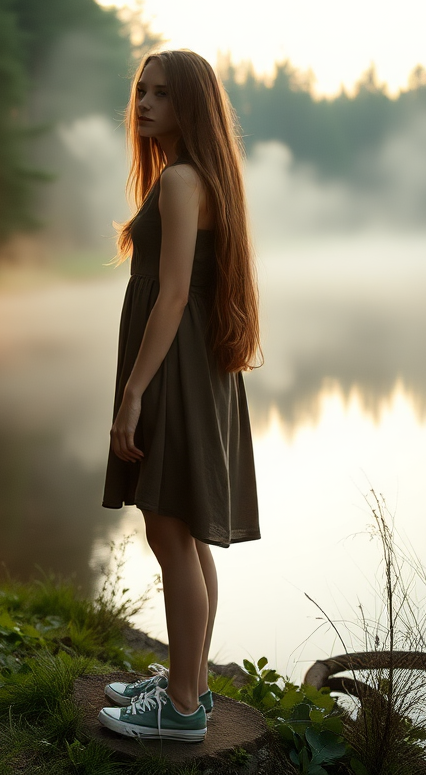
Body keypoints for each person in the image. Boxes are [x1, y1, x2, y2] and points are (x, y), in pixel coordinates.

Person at [97, 49, 261, 742]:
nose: (144, 103)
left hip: (174, 371)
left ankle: (185, 708)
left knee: (168, 528)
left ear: (189, 106)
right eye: (141, 90)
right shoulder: (193, 176)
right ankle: (186, 681)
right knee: (187, 535)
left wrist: (133, 393)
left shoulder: (181, 182)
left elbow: (169, 295)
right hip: (193, 365)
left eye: (162, 94)